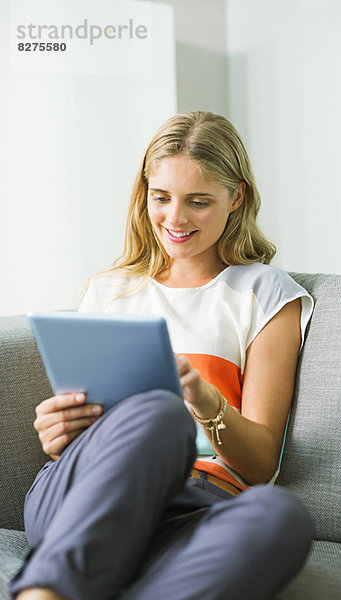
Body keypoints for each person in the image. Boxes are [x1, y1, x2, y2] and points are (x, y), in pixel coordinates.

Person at [10, 111, 315, 600]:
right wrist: (56, 432)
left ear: (235, 197)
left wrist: (204, 399)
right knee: (159, 414)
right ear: (145, 192)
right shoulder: (108, 291)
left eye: (198, 201)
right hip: (88, 496)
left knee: (281, 517)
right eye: (161, 198)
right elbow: (76, 433)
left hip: (196, 506)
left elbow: (260, 468)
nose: (175, 218)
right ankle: (46, 591)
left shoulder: (267, 294)